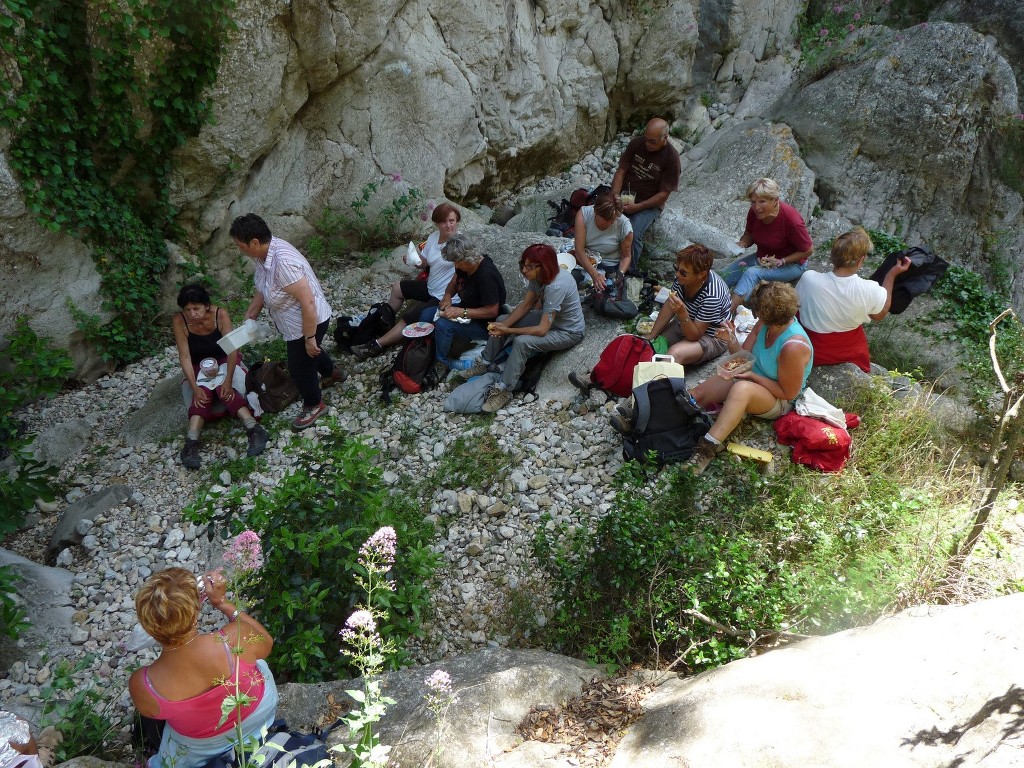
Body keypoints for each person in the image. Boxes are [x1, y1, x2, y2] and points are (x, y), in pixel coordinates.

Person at [128, 568, 278, 768]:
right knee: (254, 661)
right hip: (257, 719)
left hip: (200, 748)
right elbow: (267, 643)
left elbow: (151, 713)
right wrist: (223, 603)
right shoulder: (233, 639)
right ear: (194, 613)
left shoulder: (143, 683)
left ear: (147, 627)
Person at [231, 214, 347, 430]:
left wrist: (310, 336)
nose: (241, 250)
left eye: (241, 246)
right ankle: (333, 373)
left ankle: (314, 404)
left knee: (299, 366)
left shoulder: (282, 263)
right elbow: (263, 286)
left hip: (308, 320)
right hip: (294, 321)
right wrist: (253, 309)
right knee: (309, 352)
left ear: (254, 242)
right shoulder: (264, 255)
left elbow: (308, 302)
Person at [686, 281, 813, 475]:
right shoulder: (765, 324)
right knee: (698, 394)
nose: (756, 317)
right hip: (752, 379)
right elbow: (743, 356)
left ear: (768, 315)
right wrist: (731, 340)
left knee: (741, 389)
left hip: (778, 398)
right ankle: (664, 415)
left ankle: (707, 449)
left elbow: (788, 392)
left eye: (758, 313)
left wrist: (752, 375)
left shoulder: (793, 347)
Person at [463, 244, 585, 413]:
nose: (524, 270)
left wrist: (508, 331)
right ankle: (484, 362)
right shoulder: (538, 277)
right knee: (501, 319)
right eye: (523, 265)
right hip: (551, 321)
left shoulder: (556, 286)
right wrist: (503, 325)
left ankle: (505, 389)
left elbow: (542, 329)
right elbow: (527, 304)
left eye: (530, 267)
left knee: (522, 342)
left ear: (544, 266)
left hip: (568, 331)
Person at [173, 284, 269, 470]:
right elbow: (184, 356)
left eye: (196, 308)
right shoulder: (180, 321)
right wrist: (195, 387)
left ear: (206, 306)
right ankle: (191, 442)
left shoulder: (220, 315)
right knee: (203, 395)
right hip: (199, 364)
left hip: (224, 358)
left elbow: (232, 349)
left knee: (223, 389)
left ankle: (253, 428)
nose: (192, 313)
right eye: (187, 310)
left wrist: (227, 380)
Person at [351, 203, 460, 359]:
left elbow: (464, 272)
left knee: (409, 317)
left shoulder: (458, 243)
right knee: (398, 288)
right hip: (431, 287)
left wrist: (449, 297)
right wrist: (413, 260)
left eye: (452, 221)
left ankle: (377, 345)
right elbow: (425, 262)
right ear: (436, 222)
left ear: (457, 221)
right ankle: (384, 323)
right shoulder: (433, 237)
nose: (448, 225)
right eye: (444, 221)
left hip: (445, 296)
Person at [796, 227, 911, 372]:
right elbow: (879, 315)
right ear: (861, 260)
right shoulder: (869, 290)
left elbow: (796, 306)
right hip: (844, 354)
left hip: (809, 349)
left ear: (832, 255)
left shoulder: (809, 278)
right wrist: (891, 275)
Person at [719, 178, 814, 314]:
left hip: (792, 264)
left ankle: (724, 316)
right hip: (763, 257)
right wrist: (743, 243)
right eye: (753, 202)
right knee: (725, 274)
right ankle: (707, 302)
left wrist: (782, 261)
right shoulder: (755, 212)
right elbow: (749, 234)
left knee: (752, 273)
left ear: (775, 200)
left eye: (762, 201)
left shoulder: (791, 220)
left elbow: (808, 250)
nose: (757, 207)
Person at [645, 244, 731, 366]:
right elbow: (670, 303)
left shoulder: (712, 295)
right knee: (652, 346)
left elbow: (694, 336)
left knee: (673, 355)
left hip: (712, 335)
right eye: (677, 269)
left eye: (683, 273)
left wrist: (682, 313)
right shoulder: (682, 278)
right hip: (686, 322)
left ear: (701, 274)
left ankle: (658, 383)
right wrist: (651, 336)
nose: (677, 275)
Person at [610, 117, 681, 264]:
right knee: (604, 216)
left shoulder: (671, 158)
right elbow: (621, 170)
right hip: (626, 194)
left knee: (632, 233)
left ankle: (630, 271)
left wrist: (638, 207)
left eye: (653, 141)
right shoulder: (637, 143)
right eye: (646, 139)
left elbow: (663, 195)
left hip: (648, 204)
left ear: (665, 138)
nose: (647, 144)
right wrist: (615, 194)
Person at [431, 235, 506, 369]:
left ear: (467, 258)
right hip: (466, 310)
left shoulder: (485, 275)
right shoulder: (463, 266)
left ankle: (442, 362)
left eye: (457, 262)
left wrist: (461, 312)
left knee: (443, 325)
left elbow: (492, 310)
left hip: (485, 325)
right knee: (427, 313)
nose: (456, 266)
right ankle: (428, 349)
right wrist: (447, 297)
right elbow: (454, 282)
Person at [571, 193, 633, 300]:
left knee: (606, 295)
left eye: (613, 220)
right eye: (605, 219)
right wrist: (594, 275)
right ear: (595, 211)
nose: (609, 223)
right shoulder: (584, 214)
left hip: (608, 264)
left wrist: (620, 274)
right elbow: (579, 250)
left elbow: (626, 257)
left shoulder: (624, 226)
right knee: (566, 280)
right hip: (585, 260)